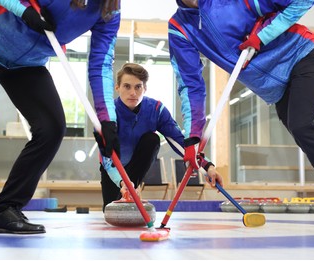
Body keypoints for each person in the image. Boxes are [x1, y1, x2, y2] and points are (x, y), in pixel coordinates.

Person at [168, 0, 314, 234]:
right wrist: (192, 139)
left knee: (303, 127)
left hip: (301, 55)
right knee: (311, 135)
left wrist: (264, 35)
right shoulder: (179, 28)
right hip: (277, 86)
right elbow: (191, 86)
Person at [0, 0, 121, 234]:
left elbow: (100, 64)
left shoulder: (109, 9)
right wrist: (23, 12)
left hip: (26, 64)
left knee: (51, 128)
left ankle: (5, 208)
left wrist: (107, 120)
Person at [94, 63, 223, 211]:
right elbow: (106, 157)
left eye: (138, 87)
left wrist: (208, 167)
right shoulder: (107, 115)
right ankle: (126, 190)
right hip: (113, 168)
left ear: (145, 88)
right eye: (127, 86)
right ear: (117, 88)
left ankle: (131, 190)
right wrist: (122, 182)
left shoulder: (156, 109)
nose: (133, 93)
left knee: (152, 139)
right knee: (110, 212)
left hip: (137, 165)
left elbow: (181, 144)